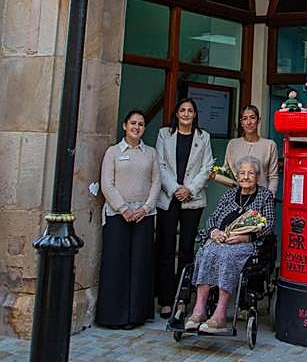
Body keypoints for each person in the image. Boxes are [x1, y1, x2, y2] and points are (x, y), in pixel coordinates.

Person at [184, 157, 275, 334]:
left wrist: (246, 237)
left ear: (257, 176)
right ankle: (199, 310)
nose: (245, 177)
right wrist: (214, 232)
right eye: (242, 173)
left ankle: (219, 315)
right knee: (205, 252)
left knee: (227, 256)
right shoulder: (229, 195)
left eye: (250, 173)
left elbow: (269, 224)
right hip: (221, 240)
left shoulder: (265, 196)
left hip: (245, 245)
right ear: (237, 176)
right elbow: (213, 218)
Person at [96, 109, 161, 329]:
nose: (136, 127)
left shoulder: (150, 153)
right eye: (133, 123)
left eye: (140, 124)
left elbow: (156, 182)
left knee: (140, 264)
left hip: (144, 215)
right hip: (117, 215)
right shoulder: (113, 152)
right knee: (116, 263)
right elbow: (107, 184)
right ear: (125, 126)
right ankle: (114, 316)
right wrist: (123, 209)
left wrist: (146, 208)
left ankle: (136, 316)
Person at [155, 97, 214, 318]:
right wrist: (175, 189)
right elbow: (160, 164)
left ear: (195, 114)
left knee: (187, 249)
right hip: (168, 198)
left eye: (190, 111)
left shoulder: (203, 137)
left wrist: (189, 189)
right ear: (177, 114)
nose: (186, 114)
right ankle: (165, 300)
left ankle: (182, 299)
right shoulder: (164, 134)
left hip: (193, 199)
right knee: (166, 248)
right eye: (182, 110)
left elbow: (207, 167)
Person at [222, 105, 279, 194]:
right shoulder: (233, 144)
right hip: (237, 197)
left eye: (252, 118)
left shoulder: (269, 145)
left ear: (258, 120)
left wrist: (269, 197)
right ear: (241, 123)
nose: (249, 122)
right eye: (245, 119)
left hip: (261, 197)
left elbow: (273, 176)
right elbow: (226, 171)